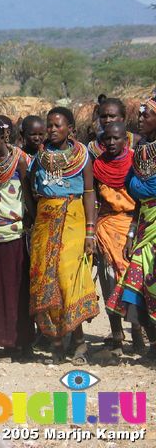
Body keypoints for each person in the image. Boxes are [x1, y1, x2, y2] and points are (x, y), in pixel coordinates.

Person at [29, 107, 99, 365]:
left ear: (71, 128)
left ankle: (79, 343)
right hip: (45, 221)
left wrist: (90, 232)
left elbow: (90, 192)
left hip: (73, 218)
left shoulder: (82, 157)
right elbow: (30, 188)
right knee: (46, 281)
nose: (52, 130)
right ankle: (57, 343)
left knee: (68, 278)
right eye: (50, 125)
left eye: (58, 125)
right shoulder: (40, 155)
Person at [0, 118, 35, 358]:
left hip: (14, 233)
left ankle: (21, 343)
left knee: (17, 290)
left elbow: (28, 195)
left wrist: (32, 222)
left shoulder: (20, 161)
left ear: (3, 139)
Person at [106, 93, 156, 359]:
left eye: (145, 115)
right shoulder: (141, 151)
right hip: (145, 224)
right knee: (137, 282)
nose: (141, 118)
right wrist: (131, 232)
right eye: (140, 114)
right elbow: (139, 201)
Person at [93, 121, 143, 356]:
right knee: (109, 280)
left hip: (132, 225)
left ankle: (137, 331)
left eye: (117, 138)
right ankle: (116, 334)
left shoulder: (137, 162)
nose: (111, 143)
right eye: (107, 140)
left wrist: (135, 230)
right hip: (106, 227)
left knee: (132, 282)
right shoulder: (98, 166)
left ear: (126, 139)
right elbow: (93, 199)